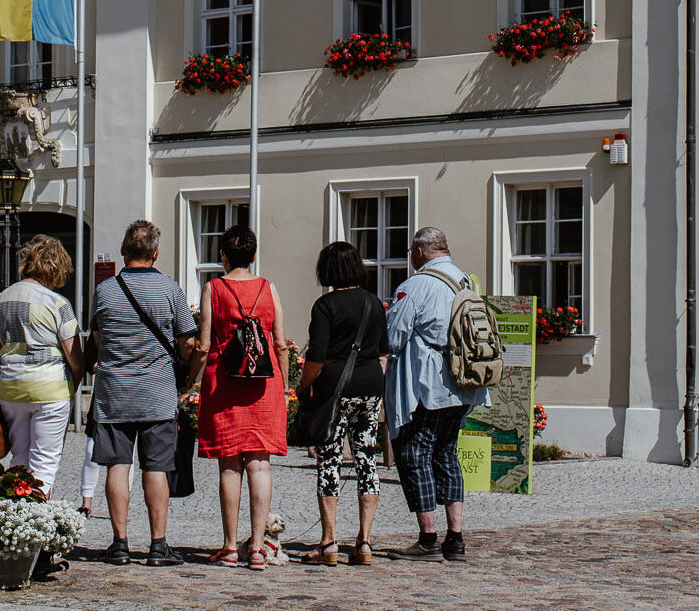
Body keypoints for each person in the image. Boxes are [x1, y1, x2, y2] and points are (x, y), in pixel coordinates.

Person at [87, 219, 199, 567]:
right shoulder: (170, 288)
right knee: (156, 467)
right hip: (157, 391)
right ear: (156, 252)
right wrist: (186, 372)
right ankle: (157, 545)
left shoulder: (105, 291)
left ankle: (119, 543)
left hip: (114, 393)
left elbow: (97, 339)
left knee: (117, 467)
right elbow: (187, 342)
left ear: (123, 250)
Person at [384, 226, 488, 562]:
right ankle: (455, 537)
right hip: (466, 382)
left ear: (418, 252)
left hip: (430, 384)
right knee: (446, 452)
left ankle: (428, 538)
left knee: (417, 454)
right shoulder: (466, 281)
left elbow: (394, 337)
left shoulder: (415, 285)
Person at [194, 225, 287, 569]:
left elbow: (204, 343)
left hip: (225, 383)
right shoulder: (268, 288)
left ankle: (231, 546)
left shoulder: (213, 288)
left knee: (230, 465)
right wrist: (285, 385)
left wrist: (190, 378)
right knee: (259, 463)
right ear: (254, 255)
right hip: (264, 385)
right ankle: (259, 548)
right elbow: (280, 341)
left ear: (223, 256)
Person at [298, 241, 387, 567]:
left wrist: (302, 385)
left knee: (330, 461)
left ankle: (329, 542)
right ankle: (364, 542)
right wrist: (372, 381)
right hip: (370, 388)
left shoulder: (325, 305)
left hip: (334, 391)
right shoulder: (374, 303)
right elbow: (383, 353)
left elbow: (316, 358)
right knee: (367, 460)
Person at [0, 235, 85, 498]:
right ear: (56, 267)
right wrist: (73, 387)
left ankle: (12, 517)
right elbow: (74, 357)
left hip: (11, 387)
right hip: (50, 388)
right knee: (45, 460)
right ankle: (36, 522)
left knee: (19, 456)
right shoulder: (57, 303)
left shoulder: (4, 297)